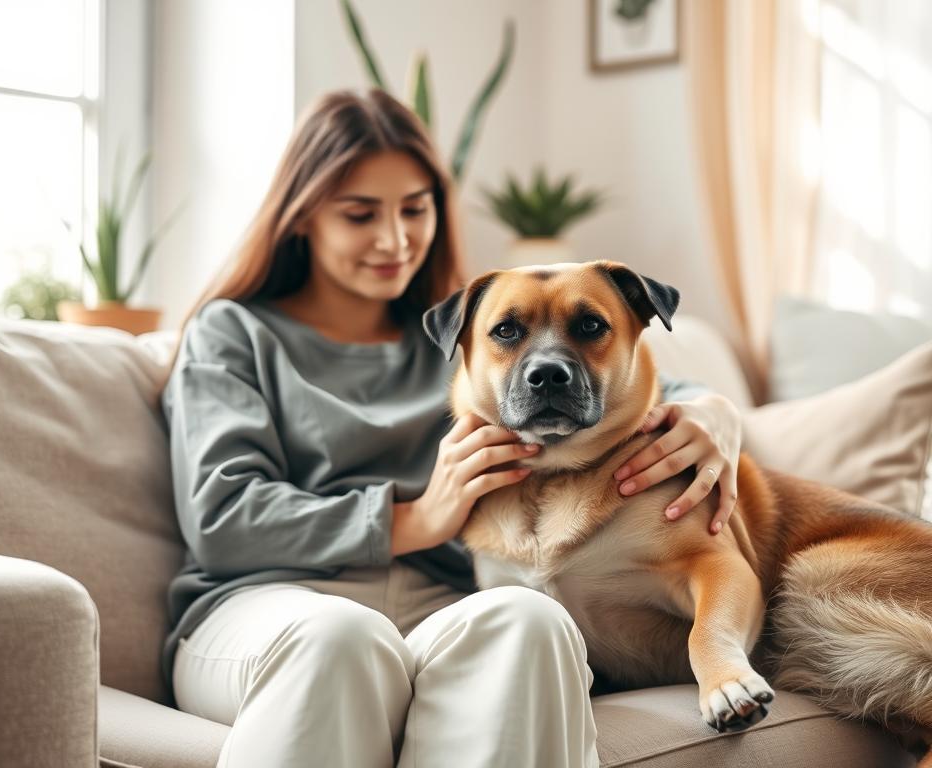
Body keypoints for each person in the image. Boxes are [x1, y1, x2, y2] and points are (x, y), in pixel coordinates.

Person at [162, 88, 743, 768]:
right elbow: (223, 516)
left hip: (437, 606)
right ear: (301, 218)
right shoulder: (233, 333)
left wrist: (714, 411)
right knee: (343, 637)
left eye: (415, 208)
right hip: (267, 607)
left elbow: (612, 385)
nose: (395, 239)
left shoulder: (464, 333)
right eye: (360, 214)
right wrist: (414, 519)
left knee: (532, 620)